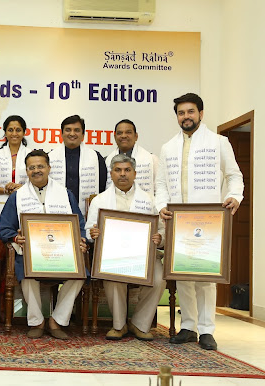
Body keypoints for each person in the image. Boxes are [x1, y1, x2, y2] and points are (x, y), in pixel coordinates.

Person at [156, 93, 244, 350]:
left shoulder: (219, 142)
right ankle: (188, 327)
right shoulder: (168, 147)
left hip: (207, 221)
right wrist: (161, 205)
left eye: (190, 112)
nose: (186, 117)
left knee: (205, 278)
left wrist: (233, 196)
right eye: (181, 113)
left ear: (201, 114)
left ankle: (207, 330)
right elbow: (161, 184)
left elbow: (234, 176)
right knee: (183, 275)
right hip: (178, 221)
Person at [0, 150, 87, 339]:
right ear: (27, 170)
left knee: (79, 276)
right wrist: (16, 238)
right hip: (32, 254)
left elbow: (79, 225)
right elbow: (5, 228)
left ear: (48, 168)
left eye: (40, 166)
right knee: (27, 273)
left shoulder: (65, 194)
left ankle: (57, 320)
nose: (36, 170)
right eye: (32, 167)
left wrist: (82, 240)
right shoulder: (17, 196)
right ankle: (37, 321)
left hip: (62, 254)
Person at [86, 154, 166, 341]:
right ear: (111, 174)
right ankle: (119, 325)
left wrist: (159, 237)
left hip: (145, 257)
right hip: (113, 256)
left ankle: (139, 323)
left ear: (135, 173)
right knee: (113, 277)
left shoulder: (150, 200)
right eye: (118, 170)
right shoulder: (100, 200)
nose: (123, 174)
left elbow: (162, 229)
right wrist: (93, 234)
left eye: (127, 170)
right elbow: (90, 228)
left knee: (159, 277)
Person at [0, 115, 32, 261]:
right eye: (10, 130)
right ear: (5, 132)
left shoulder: (31, 155)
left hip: (24, 208)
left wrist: (21, 187)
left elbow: (38, 182)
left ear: (24, 132)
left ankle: (18, 284)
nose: (14, 133)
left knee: (23, 253)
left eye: (18, 130)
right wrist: (6, 190)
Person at [48, 115, 107, 216]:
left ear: (83, 135)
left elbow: (102, 186)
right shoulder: (50, 157)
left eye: (76, 130)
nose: (72, 133)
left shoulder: (96, 157)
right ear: (61, 134)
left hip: (86, 213)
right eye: (68, 130)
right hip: (57, 210)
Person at [104, 119, 159, 195]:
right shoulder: (106, 161)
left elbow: (159, 190)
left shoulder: (152, 160)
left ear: (136, 136)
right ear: (115, 137)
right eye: (119, 133)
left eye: (128, 132)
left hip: (143, 205)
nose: (123, 136)